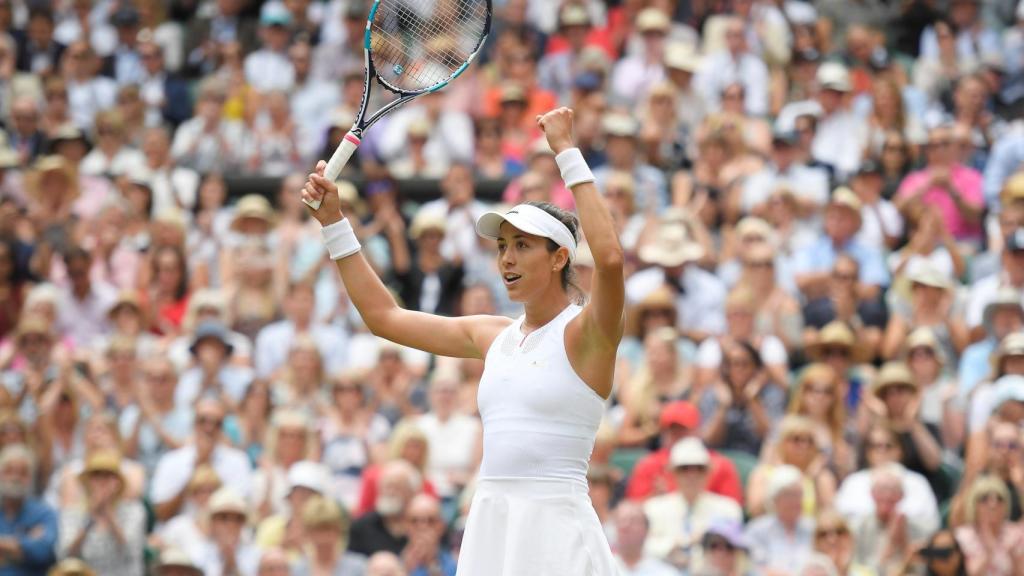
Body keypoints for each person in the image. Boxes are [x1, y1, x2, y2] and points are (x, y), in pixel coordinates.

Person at [301, 106, 624, 575]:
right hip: (492, 525)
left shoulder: (587, 332)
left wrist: (566, 151)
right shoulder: (492, 334)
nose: (507, 259)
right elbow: (383, 316)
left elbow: (611, 259)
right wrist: (334, 222)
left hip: (557, 531)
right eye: (502, 247)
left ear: (559, 260)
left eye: (522, 246)